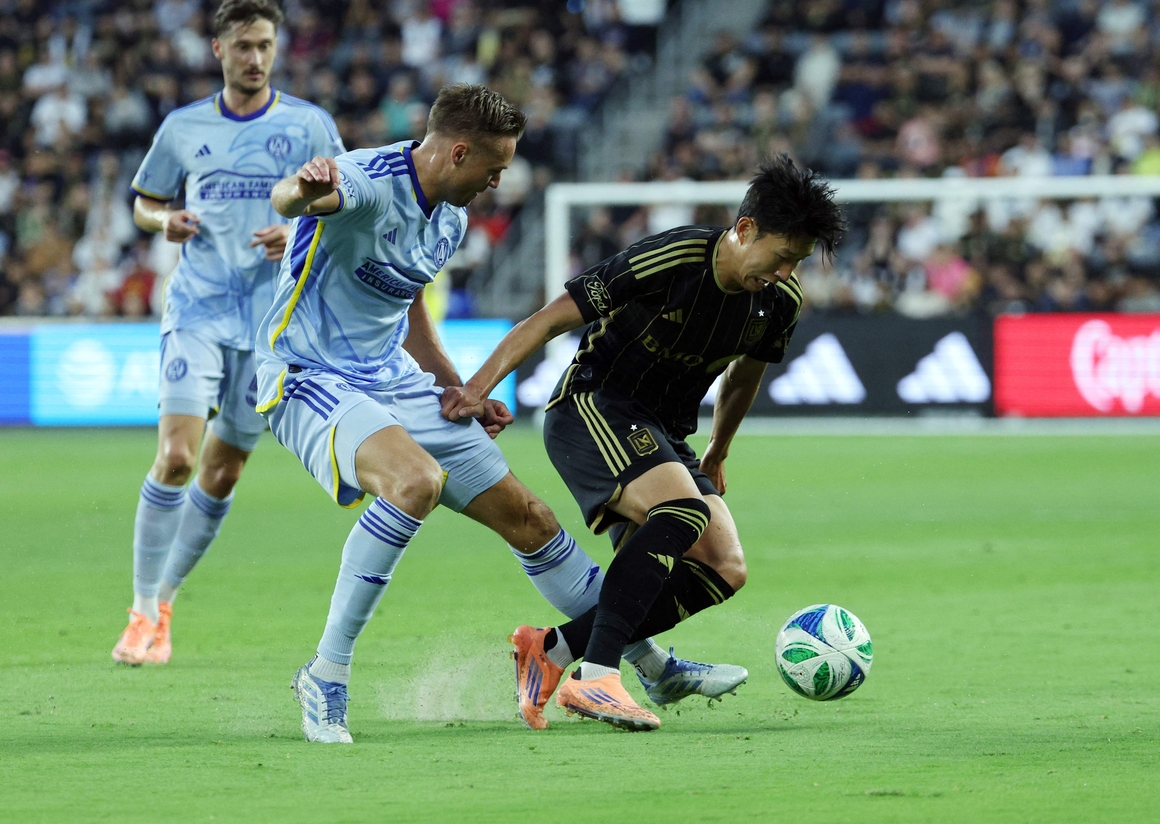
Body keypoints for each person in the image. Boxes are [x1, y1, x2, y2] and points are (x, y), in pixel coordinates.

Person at [258, 84, 741, 744]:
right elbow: (296, 200)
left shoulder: (449, 218)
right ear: (458, 152)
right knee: (415, 482)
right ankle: (327, 674)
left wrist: (457, 391)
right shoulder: (370, 182)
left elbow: (408, 310)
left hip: (393, 379)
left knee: (532, 519)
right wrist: (301, 186)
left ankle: (649, 664)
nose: (499, 181)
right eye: (496, 167)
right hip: (308, 374)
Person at [442, 155, 846, 731]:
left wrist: (718, 450)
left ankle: (552, 649)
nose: (785, 273)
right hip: (592, 404)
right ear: (746, 228)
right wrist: (477, 388)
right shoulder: (676, 257)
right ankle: (599, 679)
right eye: (782, 257)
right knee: (681, 512)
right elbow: (551, 318)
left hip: (662, 431)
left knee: (723, 565)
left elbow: (744, 376)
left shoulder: (780, 302)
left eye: (798, 263)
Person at [112, 0, 345, 666]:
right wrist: (165, 223)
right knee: (179, 457)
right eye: (243, 46)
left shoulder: (308, 126)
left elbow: (350, 206)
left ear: (277, 48)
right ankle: (137, 609)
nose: (255, 57)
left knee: (222, 469)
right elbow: (144, 202)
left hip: (271, 324)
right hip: (198, 307)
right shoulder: (183, 128)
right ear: (218, 50)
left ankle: (163, 605)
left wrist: (299, 228)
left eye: (265, 45)